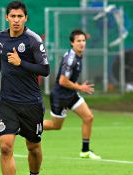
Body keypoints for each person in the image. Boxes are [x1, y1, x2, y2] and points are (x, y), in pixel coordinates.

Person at [0, 1, 49, 175]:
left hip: (31, 103)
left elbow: (45, 70)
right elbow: (1, 57)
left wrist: (21, 62)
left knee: (34, 148)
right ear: (7, 17)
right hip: (8, 102)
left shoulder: (33, 40)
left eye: (19, 16)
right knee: (5, 147)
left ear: (25, 18)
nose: (16, 20)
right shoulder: (0, 37)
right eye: (13, 16)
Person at [43, 29, 101, 160]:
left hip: (71, 94)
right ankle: (28, 126)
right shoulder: (71, 59)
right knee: (55, 126)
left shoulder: (78, 55)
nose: (82, 43)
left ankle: (85, 151)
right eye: (78, 41)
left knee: (88, 117)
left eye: (83, 40)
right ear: (72, 43)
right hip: (60, 96)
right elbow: (62, 81)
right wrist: (80, 87)